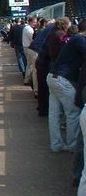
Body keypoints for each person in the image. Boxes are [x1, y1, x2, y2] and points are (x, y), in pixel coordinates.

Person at [46, 22, 86, 153]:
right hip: (63, 79)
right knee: (73, 113)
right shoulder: (80, 39)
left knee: (54, 114)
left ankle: (56, 144)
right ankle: (73, 145)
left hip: (53, 77)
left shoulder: (74, 38)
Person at [23, 16, 39, 95]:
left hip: (27, 47)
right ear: (29, 22)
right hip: (29, 48)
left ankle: (27, 79)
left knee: (29, 65)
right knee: (32, 66)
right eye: (34, 22)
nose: (35, 24)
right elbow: (34, 40)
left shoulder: (27, 28)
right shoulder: (29, 30)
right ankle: (28, 80)